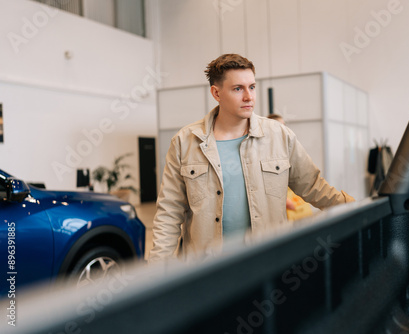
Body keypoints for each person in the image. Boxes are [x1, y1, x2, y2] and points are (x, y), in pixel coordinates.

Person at [149, 54, 354, 263]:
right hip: (206, 269)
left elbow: (314, 187)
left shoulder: (279, 136)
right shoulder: (185, 142)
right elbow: (170, 212)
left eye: (252, 87)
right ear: (216, 93)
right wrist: (156, 272)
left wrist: (358, 210)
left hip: (267, 264)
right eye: (238, 89)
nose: (249, 96)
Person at [267, 113, 314, 222]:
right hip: (283, 208)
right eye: (279, 126)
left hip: (297, 202)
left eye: (284, 125)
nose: (284, 129)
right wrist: (283, 200)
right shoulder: (265, 151)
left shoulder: (288, 147)